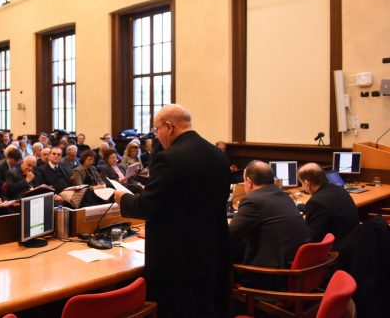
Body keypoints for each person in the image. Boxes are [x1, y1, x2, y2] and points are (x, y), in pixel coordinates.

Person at [115, 104, 231, 317]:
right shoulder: (217, 154)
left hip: (176, 261)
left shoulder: (169, 158)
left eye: (156, 129)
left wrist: (123, 198)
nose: (157, 136)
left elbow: (149, 206)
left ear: (169, 126)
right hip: (210, 252)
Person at [230, 160, 311, 288]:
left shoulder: (253, 200)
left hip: (272, 277)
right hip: (296, 270)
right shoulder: (284, 196)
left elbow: (229, 236)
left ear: (249, 181)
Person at [297, 162, 359, 247]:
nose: (302, 187)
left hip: (337, 251)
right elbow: (327, 209)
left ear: (307, 184)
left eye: (301, 184)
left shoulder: (316, 202)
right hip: (353, 243)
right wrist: (300, 206)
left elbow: (312, 238)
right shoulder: (338, 189)